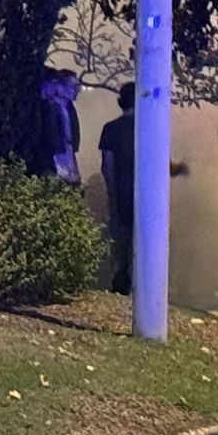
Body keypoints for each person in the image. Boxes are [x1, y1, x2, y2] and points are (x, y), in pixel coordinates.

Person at [98, 84, 137, 295]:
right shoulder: (149, 128)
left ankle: (120, 282)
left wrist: (111, 194)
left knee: (120, 240)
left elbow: (107, 165)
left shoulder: (110, 129)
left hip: (121, 192)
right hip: (144, 194)